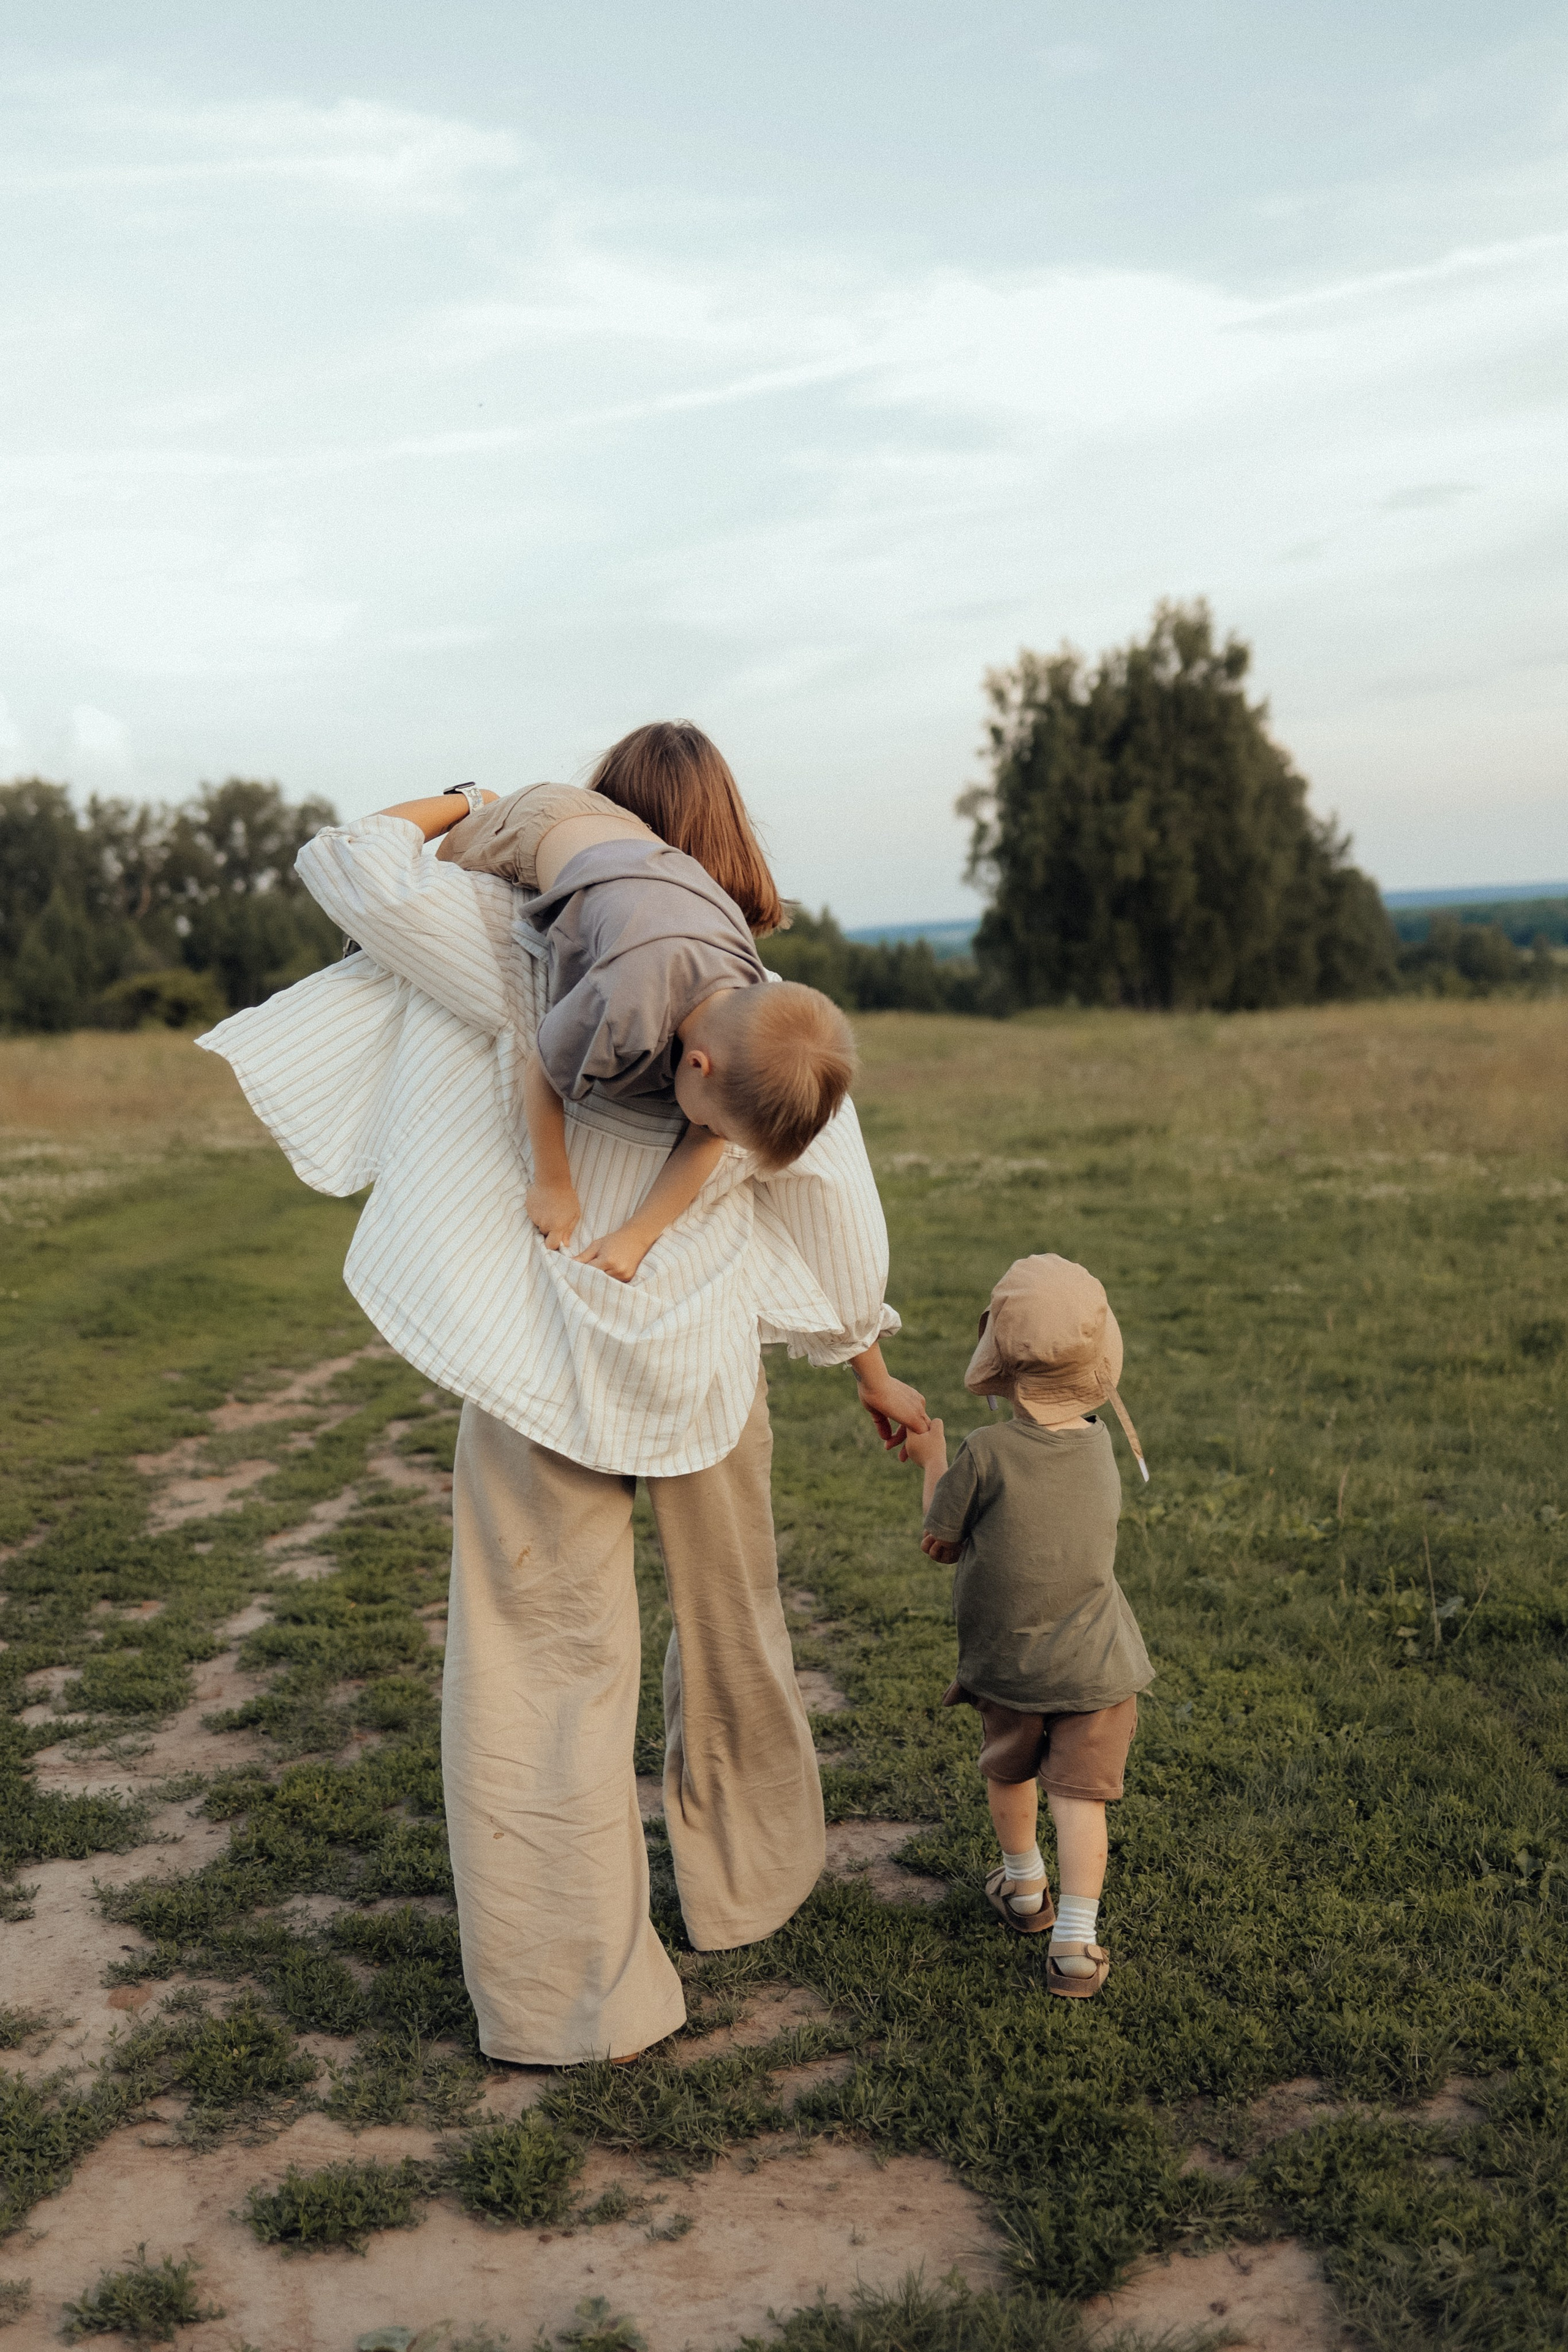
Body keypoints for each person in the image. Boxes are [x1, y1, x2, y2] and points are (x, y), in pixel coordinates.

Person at [198, 723, 927, 2066]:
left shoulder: (505, 942)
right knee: (735, 1623)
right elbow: (835, 1223)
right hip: (701, 1366)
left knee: (540, 1665)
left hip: (542, 1360)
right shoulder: (778, 1008)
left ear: (608, 823)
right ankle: (745, 1883)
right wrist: (869, 1367)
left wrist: (477, 804)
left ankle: (568, 1993)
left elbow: (348, 859)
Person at [434, 757, 857, 1282]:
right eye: (709, 1121)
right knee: (438, 867)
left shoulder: (747, 999)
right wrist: (554, 1182)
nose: (702, 1129)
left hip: (635, 847)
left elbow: (707, 1139)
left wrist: (636, 1235)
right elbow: (542, 1068)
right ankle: (475, 799)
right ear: (699, 1065)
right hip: (539, 822)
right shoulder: (629, 1007)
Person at [900, 1254, 1152, 1999]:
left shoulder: (984, 1452)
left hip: (1009, 1667)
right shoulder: (1101, 1447)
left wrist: (931, 1458)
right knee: (1079, 1799)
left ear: (999, 1362)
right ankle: (1076, 1945)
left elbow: (939, 1543)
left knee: (1009, 1769)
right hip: (1099, 1670)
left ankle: (1023, 1890)